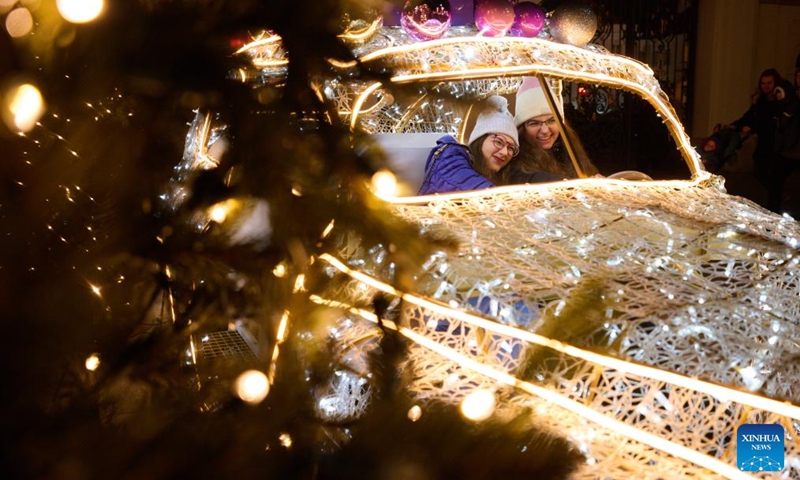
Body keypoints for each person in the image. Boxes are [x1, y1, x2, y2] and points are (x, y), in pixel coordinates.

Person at [417, 95, 530, 195]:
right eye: (499, 142)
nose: (505, 152)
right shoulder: (450, 158)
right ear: (480, 139)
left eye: (511, 148)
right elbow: (473, 188)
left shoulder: (496, 175)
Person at [513, 76, 599, 179]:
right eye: (534, 123)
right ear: (522, 129)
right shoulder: (517, 163)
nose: (545, 130)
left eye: (552, 120)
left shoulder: (570, 152)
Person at [730, 68, 783, 186]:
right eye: (763, 83)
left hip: (774, 143)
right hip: (764, 142)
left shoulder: (778, 102)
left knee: (766, 173)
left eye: (769, 83)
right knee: (759, 172)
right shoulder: (761, 101)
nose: (766, 86)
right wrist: (735, 125)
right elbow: (749, 116)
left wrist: (751, 128)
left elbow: (767, 122)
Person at [765, 78, 800, 213]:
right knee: (775, 181)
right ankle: (773, 212)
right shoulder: (783, 106)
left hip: (792, 149)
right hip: (786, 151)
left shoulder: (792, 105)